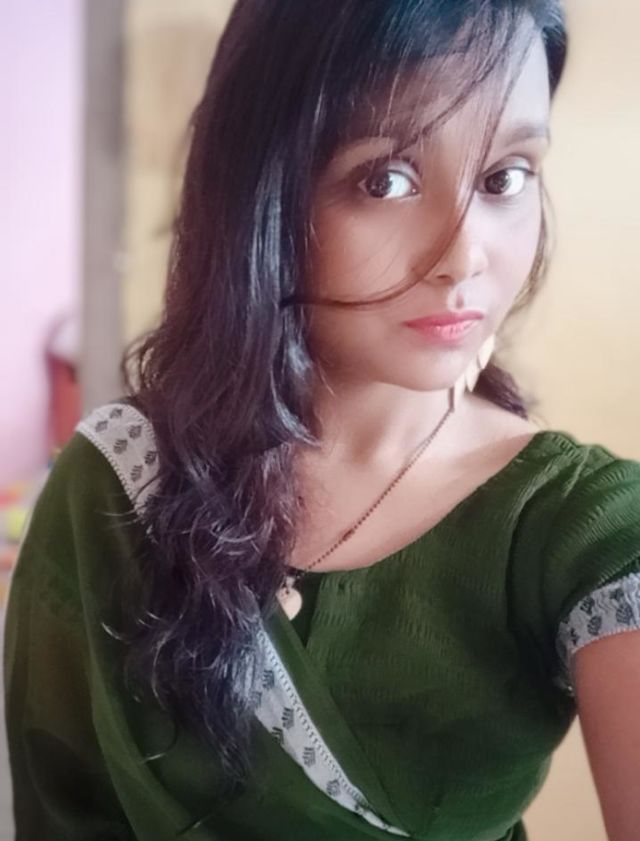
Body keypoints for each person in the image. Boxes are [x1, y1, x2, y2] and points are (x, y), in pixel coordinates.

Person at [4, 1, 640, 839]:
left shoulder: (578, 525)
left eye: (504, 178)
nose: (463, 256)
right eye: (386, 180)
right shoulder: (120, 485)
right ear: (261, 188)